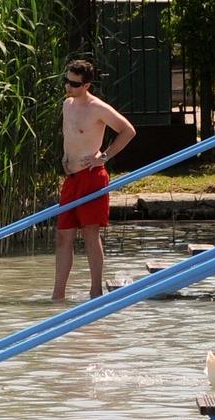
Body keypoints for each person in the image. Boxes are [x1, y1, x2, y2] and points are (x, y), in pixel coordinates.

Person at [54, 58, 136, 302]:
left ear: (87, 85)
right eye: (66, 81)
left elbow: (128, 130)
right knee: (62, 235)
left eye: (74, 84)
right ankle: (58, 294)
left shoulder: (98, 108)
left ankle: (95, 291)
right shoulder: (67, 105)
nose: (68, 87)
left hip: (92, 178)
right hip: (71, 178)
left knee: (90, 234)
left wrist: (105, 156)